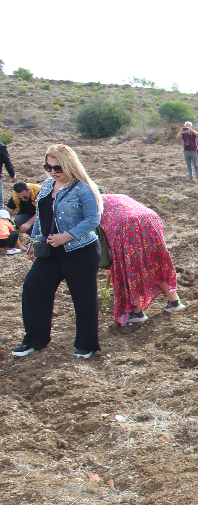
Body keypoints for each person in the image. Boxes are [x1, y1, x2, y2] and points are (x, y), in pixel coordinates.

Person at [13, 144, 103, 359]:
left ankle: (86, 345)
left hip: (80, 250)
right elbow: (41, 218)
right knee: (33, 289)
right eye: (48, 167)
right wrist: (35, 242)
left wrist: (67, 236)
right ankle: (35, 340)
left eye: (57, 167)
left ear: (69, 165)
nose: (52, 172)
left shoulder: (84, 188)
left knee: (83, 298)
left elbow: (93, 219)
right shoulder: (46, 186)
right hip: (50, 252)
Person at [99, 194, 185, 326]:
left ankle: (137, 312)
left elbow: (101, 241)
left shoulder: (90, 204)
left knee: (130, 267)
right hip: (151, 219)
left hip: (127, 225)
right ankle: (174, 301)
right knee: (153, 263)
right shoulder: (116, 197)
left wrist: (110, 264)